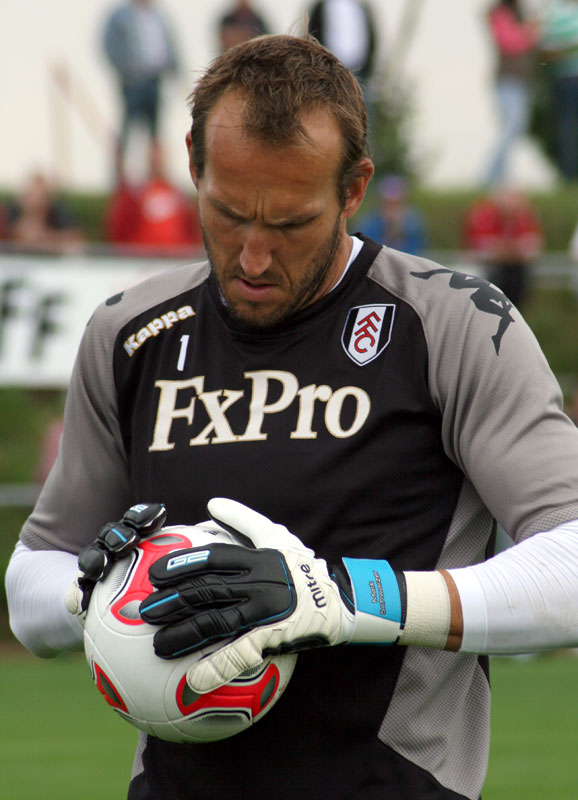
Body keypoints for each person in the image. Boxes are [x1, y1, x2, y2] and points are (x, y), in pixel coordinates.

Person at [5, 33, 578, 800]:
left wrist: (342, 600)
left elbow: (571, 562)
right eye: (229, 212)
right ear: (193, 163)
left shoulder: (451, 324)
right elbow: (31, 581)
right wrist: (98, 590)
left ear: (353, 189)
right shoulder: (131, 332)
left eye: (290, 223)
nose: (251, 257)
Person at [102, 0, 180, 176]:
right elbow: (108, 44)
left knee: (155, 131)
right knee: (127, 129)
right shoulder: (120, 15)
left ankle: (155, 174)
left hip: (155, 80)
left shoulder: (159, 16)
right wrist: (124, 69)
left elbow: (169, 47)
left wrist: (174, 71)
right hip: (132, 81)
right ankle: (119, 175)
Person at [104, 143, 203, 256]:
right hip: (143, 258)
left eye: (159, 158)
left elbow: (191, 227)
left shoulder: (178, 195)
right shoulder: (136, 195)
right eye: (153, 158)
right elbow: (120, 227)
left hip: (176, 257)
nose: (157, 162)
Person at [484, 0, 541, 185]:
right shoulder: (498, 13)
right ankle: (489, 175)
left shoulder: (520, 13)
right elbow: (509, 43)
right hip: (507, 81)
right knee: (511, 128)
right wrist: (530, 32)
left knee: (514, 130)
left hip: (522, 82)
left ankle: (501, 179)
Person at [462, 183, 543, 309]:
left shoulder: (523, 215)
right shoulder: (484, 214)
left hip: (515, 271)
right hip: (486, 272)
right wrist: (512, 250)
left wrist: (505, 250)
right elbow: (482, 249)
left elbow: (533, 249)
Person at [539, 0, 578, 180]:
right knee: (567, 128)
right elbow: (547, 52)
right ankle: (568, 176)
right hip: (567, 79)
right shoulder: (554, 11)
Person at [1, 172, 85, 254]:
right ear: (21, 197)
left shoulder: (58, 212)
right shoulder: (11, 212)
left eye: (41, 196)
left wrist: (48, 237)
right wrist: (18, 233)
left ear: (50, 198)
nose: (36, 202)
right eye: (31, 196)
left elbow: (78, 237)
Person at [307, 0, 377, 87]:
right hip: (328, 72)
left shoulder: (361, 7)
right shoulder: (321, 7)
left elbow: (370, 37)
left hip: (360, 73)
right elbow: (313, 36)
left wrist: (367, 68)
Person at [357, 173, 427, 255]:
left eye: (396, 204)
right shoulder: (368, 224)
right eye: (388, 204)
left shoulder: (414, 225)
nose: (392, 209)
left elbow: (417, 252)